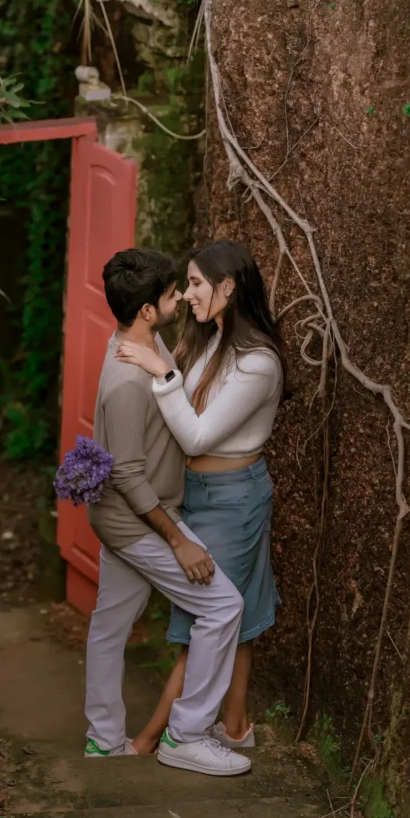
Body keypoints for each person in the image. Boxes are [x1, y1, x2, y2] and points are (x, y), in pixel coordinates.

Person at [84, 248, 252, 776]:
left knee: (109, 628)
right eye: (170, 293)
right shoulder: (127, 381)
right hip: (136, 520)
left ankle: (102, 740)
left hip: (122, 516)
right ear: (147, 312)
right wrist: (178, 539)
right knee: (223, 606)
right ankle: (186, 735)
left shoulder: (144, 343)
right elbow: (128, 476)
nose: (180, 295)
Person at [115, 239, 284, 755]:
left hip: (234, 500)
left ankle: (152, 740)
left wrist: (160, 371)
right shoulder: (214, 342)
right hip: (207, 493)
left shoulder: (259, 364)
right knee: (235, 620)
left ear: (227, 288)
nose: (187, 295)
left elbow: (195, 436)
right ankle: (235, 727)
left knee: (209, 624)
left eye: (195, 284)